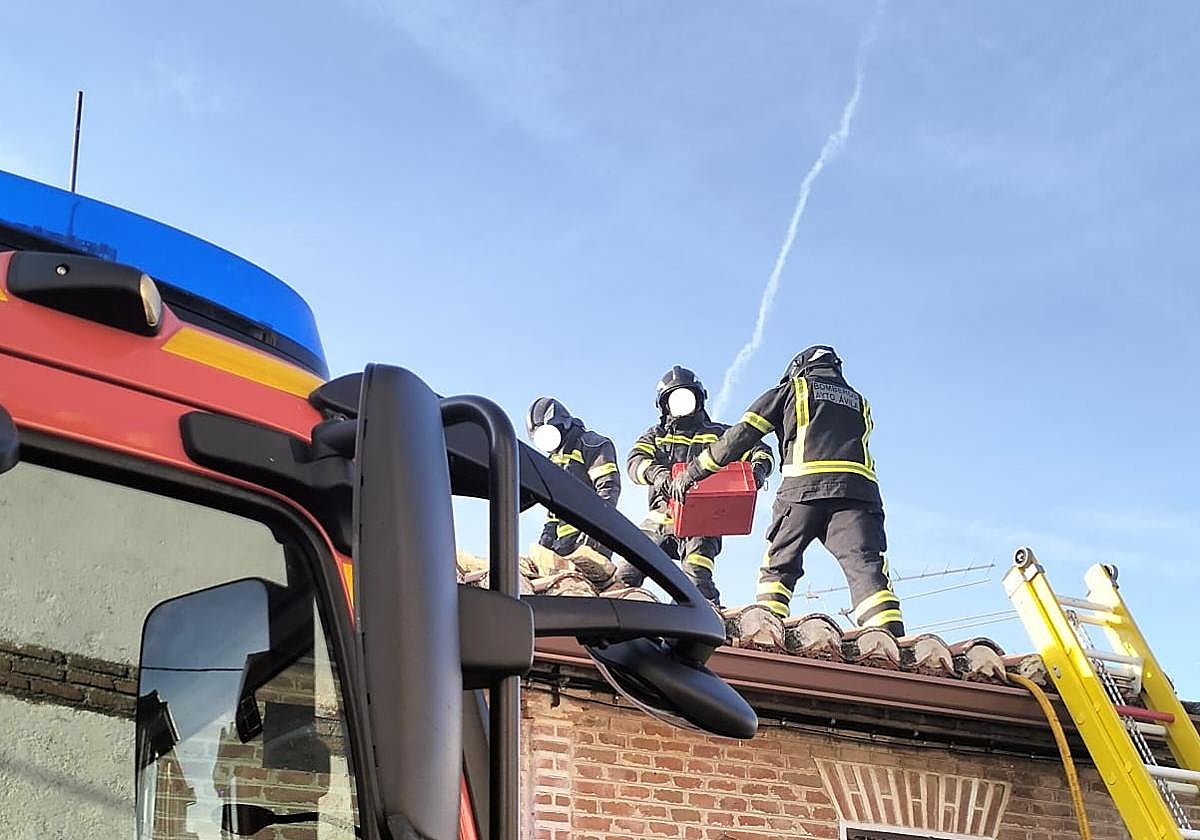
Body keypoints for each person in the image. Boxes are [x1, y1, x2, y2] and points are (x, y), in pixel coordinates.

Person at [671, 346, 904, 636]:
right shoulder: (859, 401)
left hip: (802, 492)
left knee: (779, 565)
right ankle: (888, 640)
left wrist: (693, 472)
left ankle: (766, 631)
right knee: (866, 565)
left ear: (799, 368)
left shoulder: (793, 390)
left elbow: (741, 436)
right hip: (858, 497)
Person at [608, 366, 773, 607]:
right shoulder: (655, 435)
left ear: (699, 398)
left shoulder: (720, 435)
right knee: (627, 571)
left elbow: (760, 450)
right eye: (675, 398)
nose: (682, 403)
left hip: (704, 519)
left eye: (687, 396)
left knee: (697, 577)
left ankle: (705, 621)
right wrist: (658, 475)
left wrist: (757, 470)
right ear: (664, 405)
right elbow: (635, 461)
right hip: (663, 514)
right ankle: (616, 616)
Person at [526, 397, 621, 581]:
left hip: (591, 544)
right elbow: (553, 511)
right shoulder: (553, 461)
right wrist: (545, 542)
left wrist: (592, 536)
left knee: (581, 592)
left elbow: (607, 491)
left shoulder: (592, 444)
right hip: (563, 546)